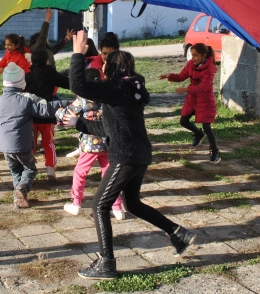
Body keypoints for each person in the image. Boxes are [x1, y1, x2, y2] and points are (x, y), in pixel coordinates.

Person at [62, 30, 196, 280]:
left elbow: (77, 85)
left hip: (125, 156)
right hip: (138, 153)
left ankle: (106, 264)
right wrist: (78, 124)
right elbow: (108, 127)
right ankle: (178, 233)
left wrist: (78, 54)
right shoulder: (128, 90)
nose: (101, 66)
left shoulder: (116, 87)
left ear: (112, 68)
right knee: (132, 203)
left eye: (104, 63)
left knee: (99, 205)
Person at [0, 62, 68, 208]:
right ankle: (23, 189)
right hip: (23, 144)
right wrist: (64, 103)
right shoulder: (26, 100)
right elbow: (45, 109)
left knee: (15, 171)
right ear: (22, 82)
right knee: (30, 169)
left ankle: (19, 199)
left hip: (5, 147)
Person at [56, 68, 125, 220]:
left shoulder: (82, 99)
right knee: (109, 174)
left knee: (80, 172)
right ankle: (117, 207)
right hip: (108, 143)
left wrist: (58, 112)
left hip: (89, 145)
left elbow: (66, 113)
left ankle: (76, 203)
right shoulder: (108, 96)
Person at [159, 43, 221, 164]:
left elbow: (203, 88)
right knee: (183, 120)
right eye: (192, 55)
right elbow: (181, 76)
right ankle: (198, 134)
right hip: (193, 99)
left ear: (204, 55)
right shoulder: (190, 65)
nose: (193, 58)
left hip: (205, 101)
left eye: (196, 55)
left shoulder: (210, 69)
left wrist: (186, 89)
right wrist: (170, 76)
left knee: (207, 127)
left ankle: (215, 152)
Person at [24, 50, 70, 181]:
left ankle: (29, 170)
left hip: (31, 116)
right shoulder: (51, 73)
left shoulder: (27, 77)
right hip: (48, 115)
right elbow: (69, 84)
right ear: (47, 61)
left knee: (30, 144)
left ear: (31, 61)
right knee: (48, 143)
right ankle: (50, 169)